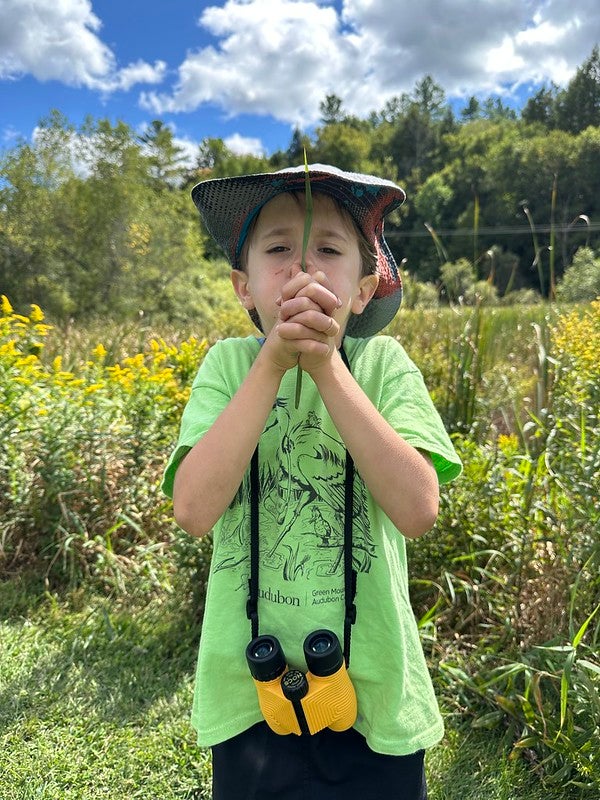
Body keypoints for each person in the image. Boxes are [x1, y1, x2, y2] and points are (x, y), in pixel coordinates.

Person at [161, 163, 462, 800]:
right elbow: (192, 508)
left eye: (328, 249)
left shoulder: (384, 366)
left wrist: (328, 367)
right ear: (244, 287)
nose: (303, 271)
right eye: (278, 251)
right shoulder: (228, 365)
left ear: (363, 287)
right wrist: (273, 361)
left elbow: (417, 509)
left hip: (376, 690)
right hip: (250, 694)